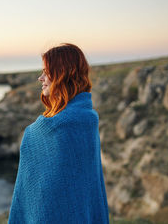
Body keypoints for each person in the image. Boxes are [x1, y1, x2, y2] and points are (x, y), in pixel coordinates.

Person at [8, 43, 110, 224]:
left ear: (64, 73)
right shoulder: (88, 119)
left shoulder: (44, 131)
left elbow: (45, 198)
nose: (40, 78)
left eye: (47, 72)